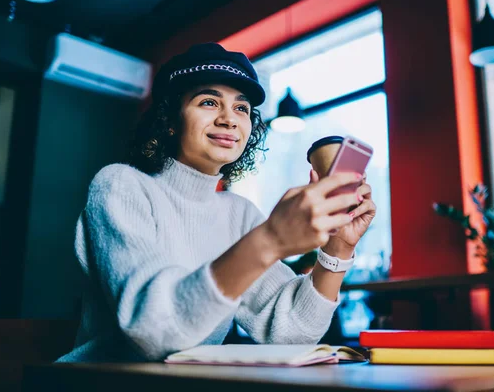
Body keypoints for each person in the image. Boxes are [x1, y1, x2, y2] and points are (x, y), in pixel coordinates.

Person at [57, 43, 376, 362]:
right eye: (209, 102)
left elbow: (291, 332)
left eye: (242, 108)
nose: (229, 119)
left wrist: (338, 249)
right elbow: (154, 332)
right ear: (170, 119)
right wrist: (269, 241)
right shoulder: (120, 185)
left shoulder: (239, 213)